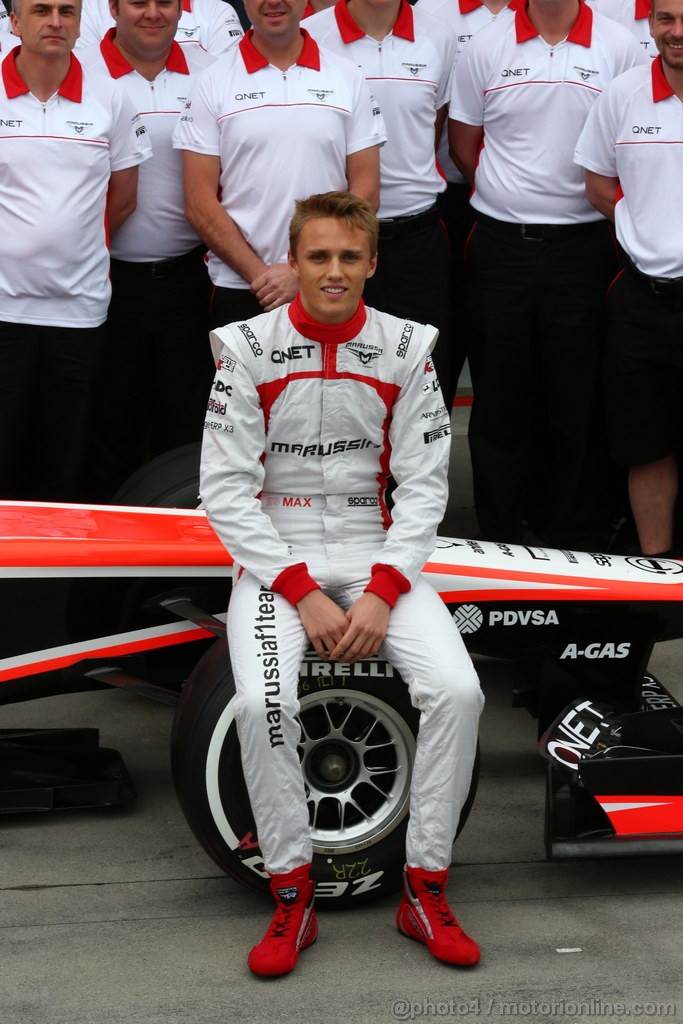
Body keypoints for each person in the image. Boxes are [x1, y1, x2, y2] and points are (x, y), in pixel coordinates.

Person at [200, 190, 484, 977]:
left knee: (459, 693)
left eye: (348, 258)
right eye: (317, 256)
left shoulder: (405, 349)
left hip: (372, 547)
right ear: (292, 261)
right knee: (262, 702)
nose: (332, 272)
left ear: (371, 265)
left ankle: (423, 888)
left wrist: (384, 589)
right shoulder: (246, 348)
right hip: (275, 554)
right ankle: (292, 893)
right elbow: (223, 492)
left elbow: (425, 488)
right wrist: (301, 590)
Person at [448, 0, 643, 549]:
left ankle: (571, 536)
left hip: (584, 247)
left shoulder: (617, 44)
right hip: (501, 245)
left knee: (575, 398)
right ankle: (501, 532)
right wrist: (514, 197)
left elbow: (623, 143)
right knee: (500, 396)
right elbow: (465, 144)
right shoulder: (485, 45)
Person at [0, 0, 150, 501]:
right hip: (4, 311)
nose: (56, 21)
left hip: (79, 313)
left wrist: (68, 244)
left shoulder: (111, 97)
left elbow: (123, 199)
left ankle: (54, 579)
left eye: (68, 10)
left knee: (65, 462)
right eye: (41, 10)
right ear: (15, 22)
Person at [172, 0, 384, 329]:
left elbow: (366, 191)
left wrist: (305, 272)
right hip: (243, 287)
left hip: (330, 286)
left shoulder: (347, 76)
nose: (273, 2)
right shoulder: (211, 81)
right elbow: (199, 203)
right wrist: (265, 278)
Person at [79, 0, 216, 499]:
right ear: (113, 8)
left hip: (190, 280)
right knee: (111, 425)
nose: (152, 13)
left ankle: (179, 556)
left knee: (185, 426)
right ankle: (107, 560)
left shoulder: (209, 75)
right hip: (107, 281)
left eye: (164, 2)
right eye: (138, 2)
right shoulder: (85, 73)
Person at [305, 0, 459, 405]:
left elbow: (434, 124)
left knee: (422, 376)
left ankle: (412, 471)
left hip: (417, 236)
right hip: (341, 241)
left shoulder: (438, 35)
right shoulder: (314, 33)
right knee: (342, 378)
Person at [574, 0, 683, 556]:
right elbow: (598, 183)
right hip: (644, 297)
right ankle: (659, 572)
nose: (676, 32)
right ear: (651, 25)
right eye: (665, 20)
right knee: (646, 444)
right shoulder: (622, 93)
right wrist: (641, 228)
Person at [75, 0, 244, 55]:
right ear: (113, 7)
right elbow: (88, 83)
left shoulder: (216, 10)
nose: (153, 15)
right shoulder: (89, 7)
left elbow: (226, 88)